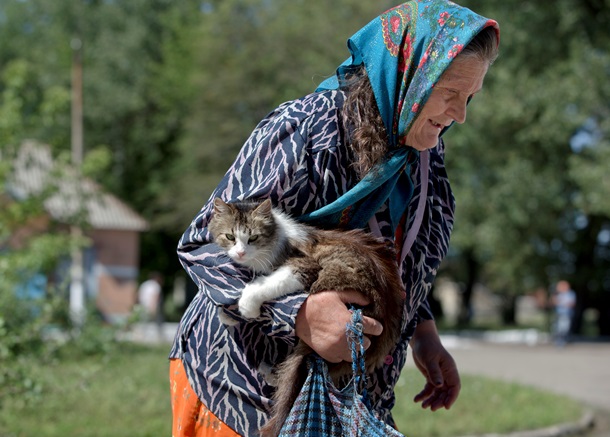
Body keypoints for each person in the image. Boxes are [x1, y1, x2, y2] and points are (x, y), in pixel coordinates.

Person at [169, 1, 500, 435]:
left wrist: (423, 332)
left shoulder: (422, 155)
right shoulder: (306, 127)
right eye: (451, 93)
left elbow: (396, 260)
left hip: (347, 401)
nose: (460, 114)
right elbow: (199, 245)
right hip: (241, 389)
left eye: (470, 96)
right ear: (410, 76)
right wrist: (299, 313)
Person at [551, 280, 576, 346]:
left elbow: (572, 303)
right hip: (559, 313)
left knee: (564, 328)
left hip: (567, 314)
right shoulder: (558, 294)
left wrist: (562, 303)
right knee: (558, 328)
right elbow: (554, 303)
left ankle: (563, 340)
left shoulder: (570, 294)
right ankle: (559, 341)